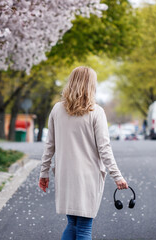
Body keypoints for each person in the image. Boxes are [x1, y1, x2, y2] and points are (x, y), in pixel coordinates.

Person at [38, 66, 128, 240]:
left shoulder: (57, 110)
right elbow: (104, 148)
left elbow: (49, 145)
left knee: (72, 224)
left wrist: (44, 172)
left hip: (64, 176)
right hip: (87, 178)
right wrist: (117, 176)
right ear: (91, 85)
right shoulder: (96, 112)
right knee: (84, 227)